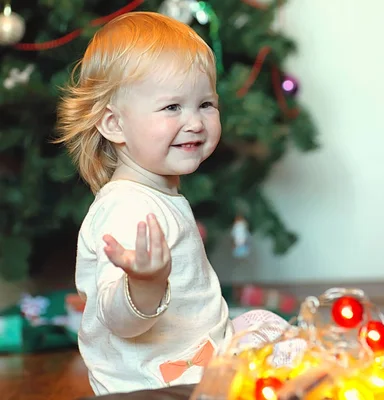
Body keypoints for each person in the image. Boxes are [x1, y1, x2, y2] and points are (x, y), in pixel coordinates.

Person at [55, 11, 291, 395]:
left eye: (206, 105)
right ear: (114, 125)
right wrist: (144, 282)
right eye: (172, 107)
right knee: (285, 358)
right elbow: (119, 321)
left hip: (194, 354)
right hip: (157, 384)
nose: (195, 122)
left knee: (268, 326)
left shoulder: (155, 192)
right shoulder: (128, 209)